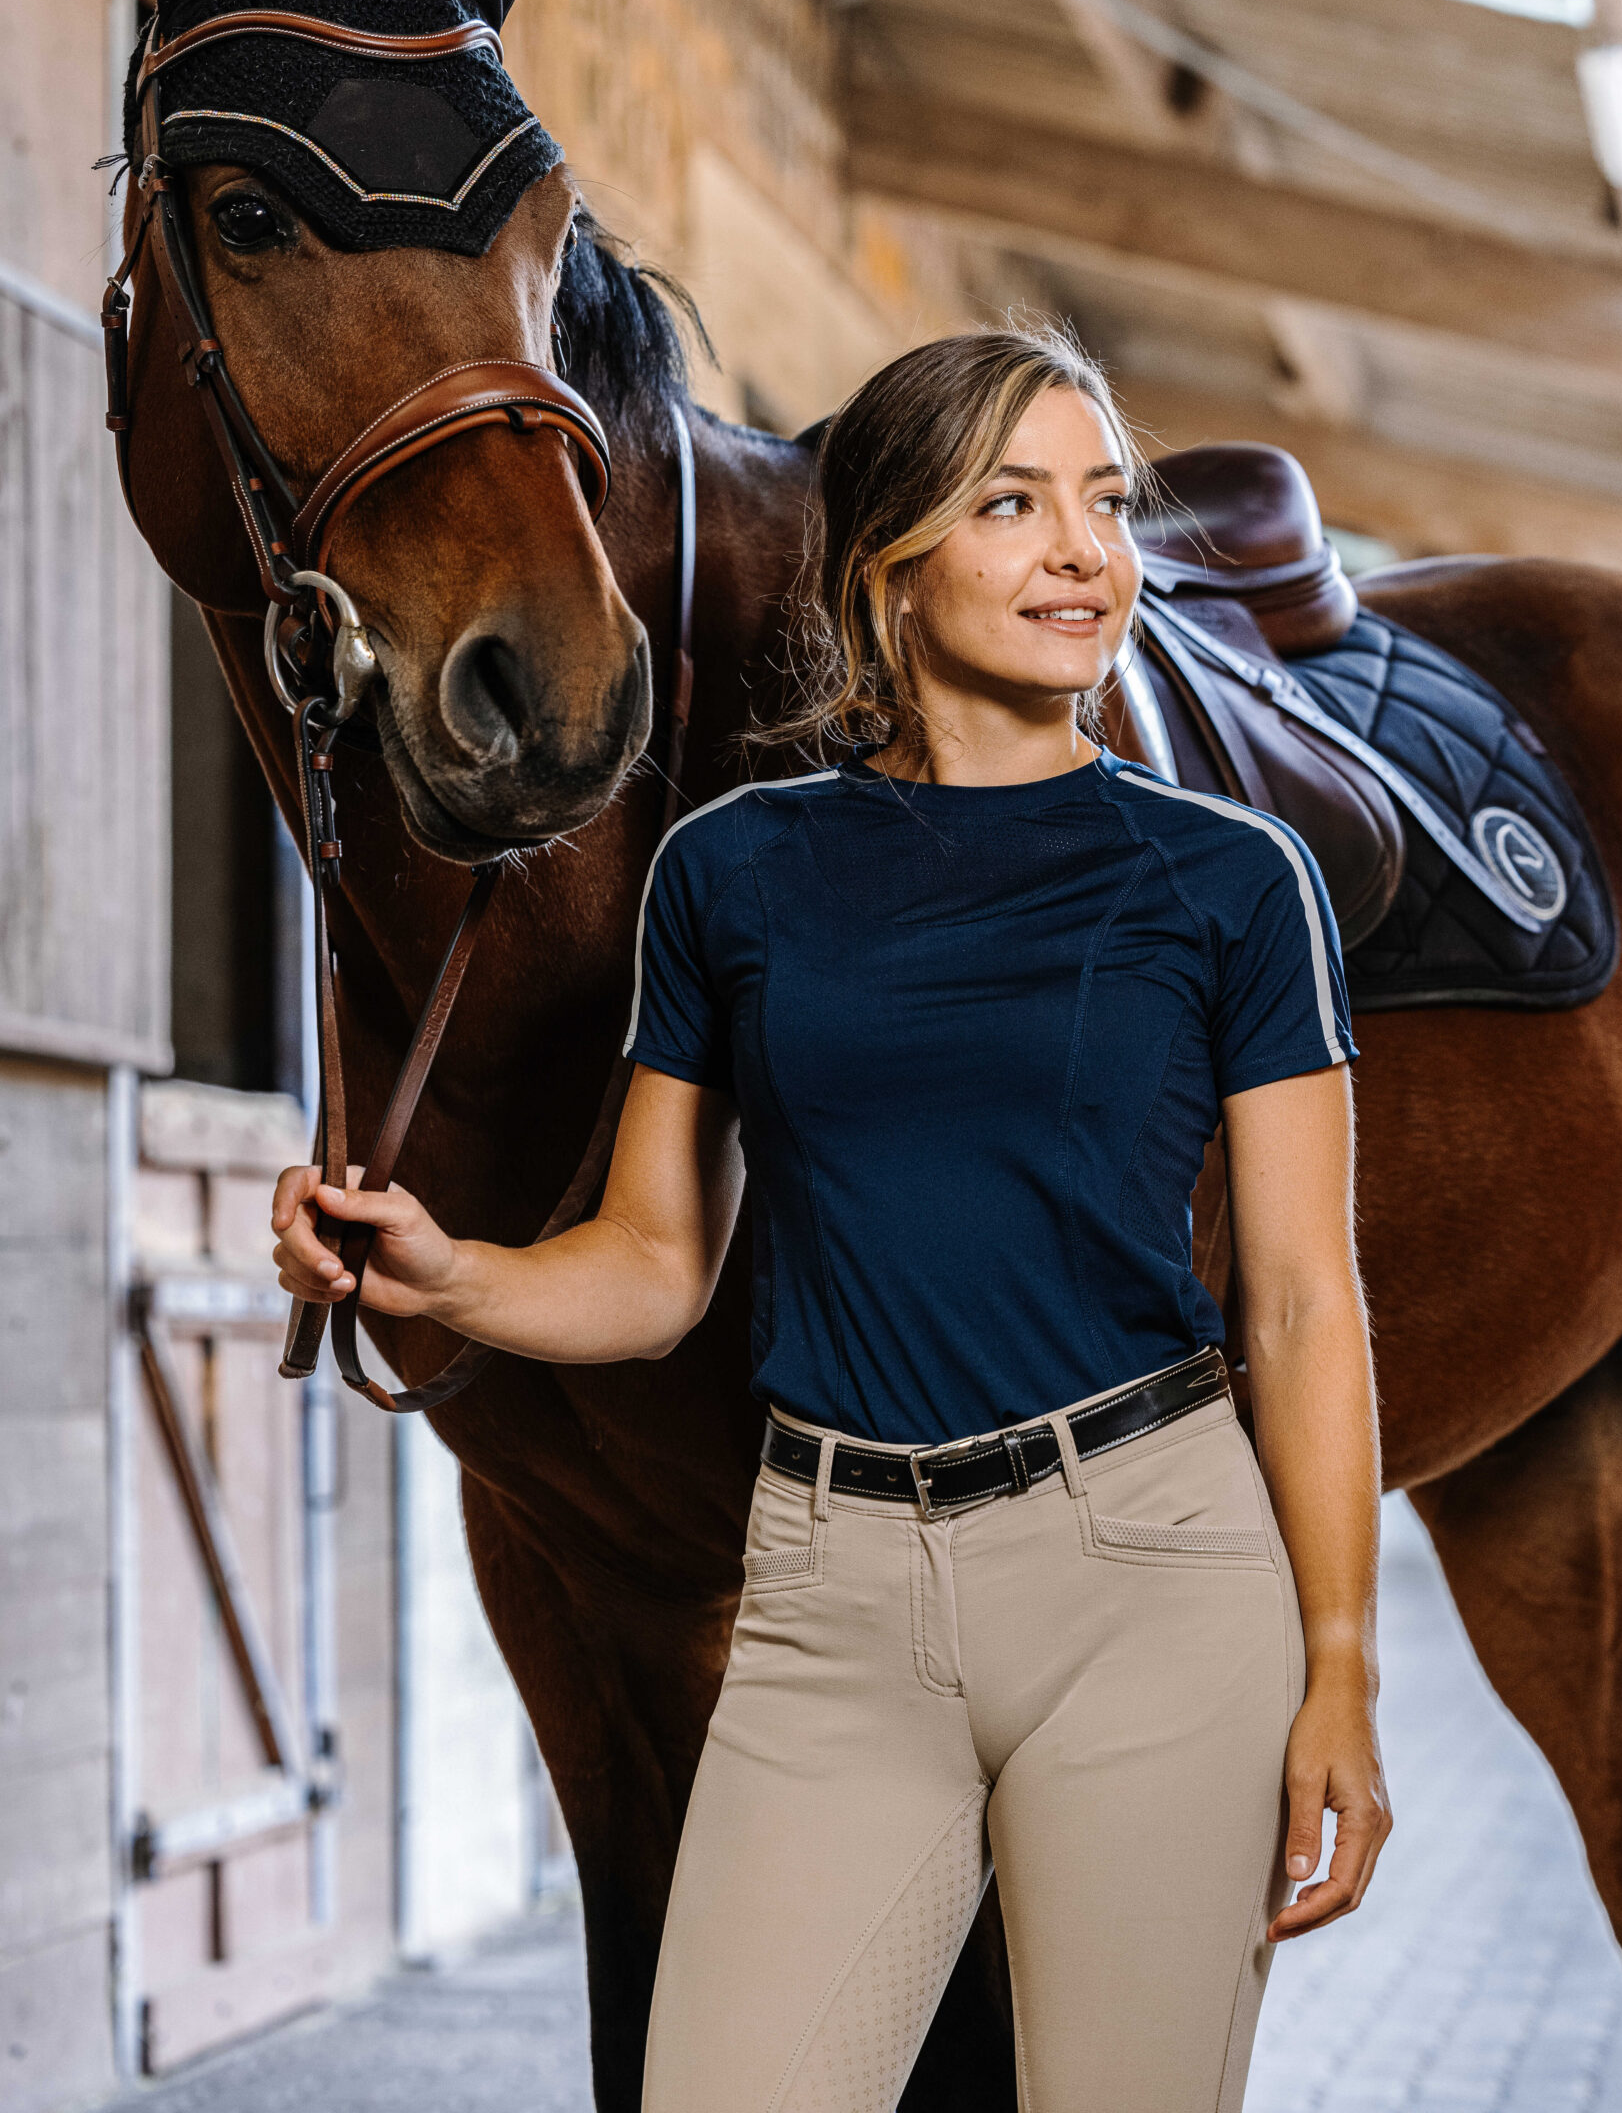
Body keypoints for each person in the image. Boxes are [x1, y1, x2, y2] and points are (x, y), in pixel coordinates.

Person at [272, 327, 1390, 2112]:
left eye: (1105, 504)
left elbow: (1305, 1307)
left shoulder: (1234, 884)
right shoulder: (735, 873)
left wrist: (1338, 1665)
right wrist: (450, 1272)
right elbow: (657, 1266)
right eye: (1011, 505)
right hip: (833, 1594)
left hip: (1151, 1586)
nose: (1085, 553)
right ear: (889, 564)